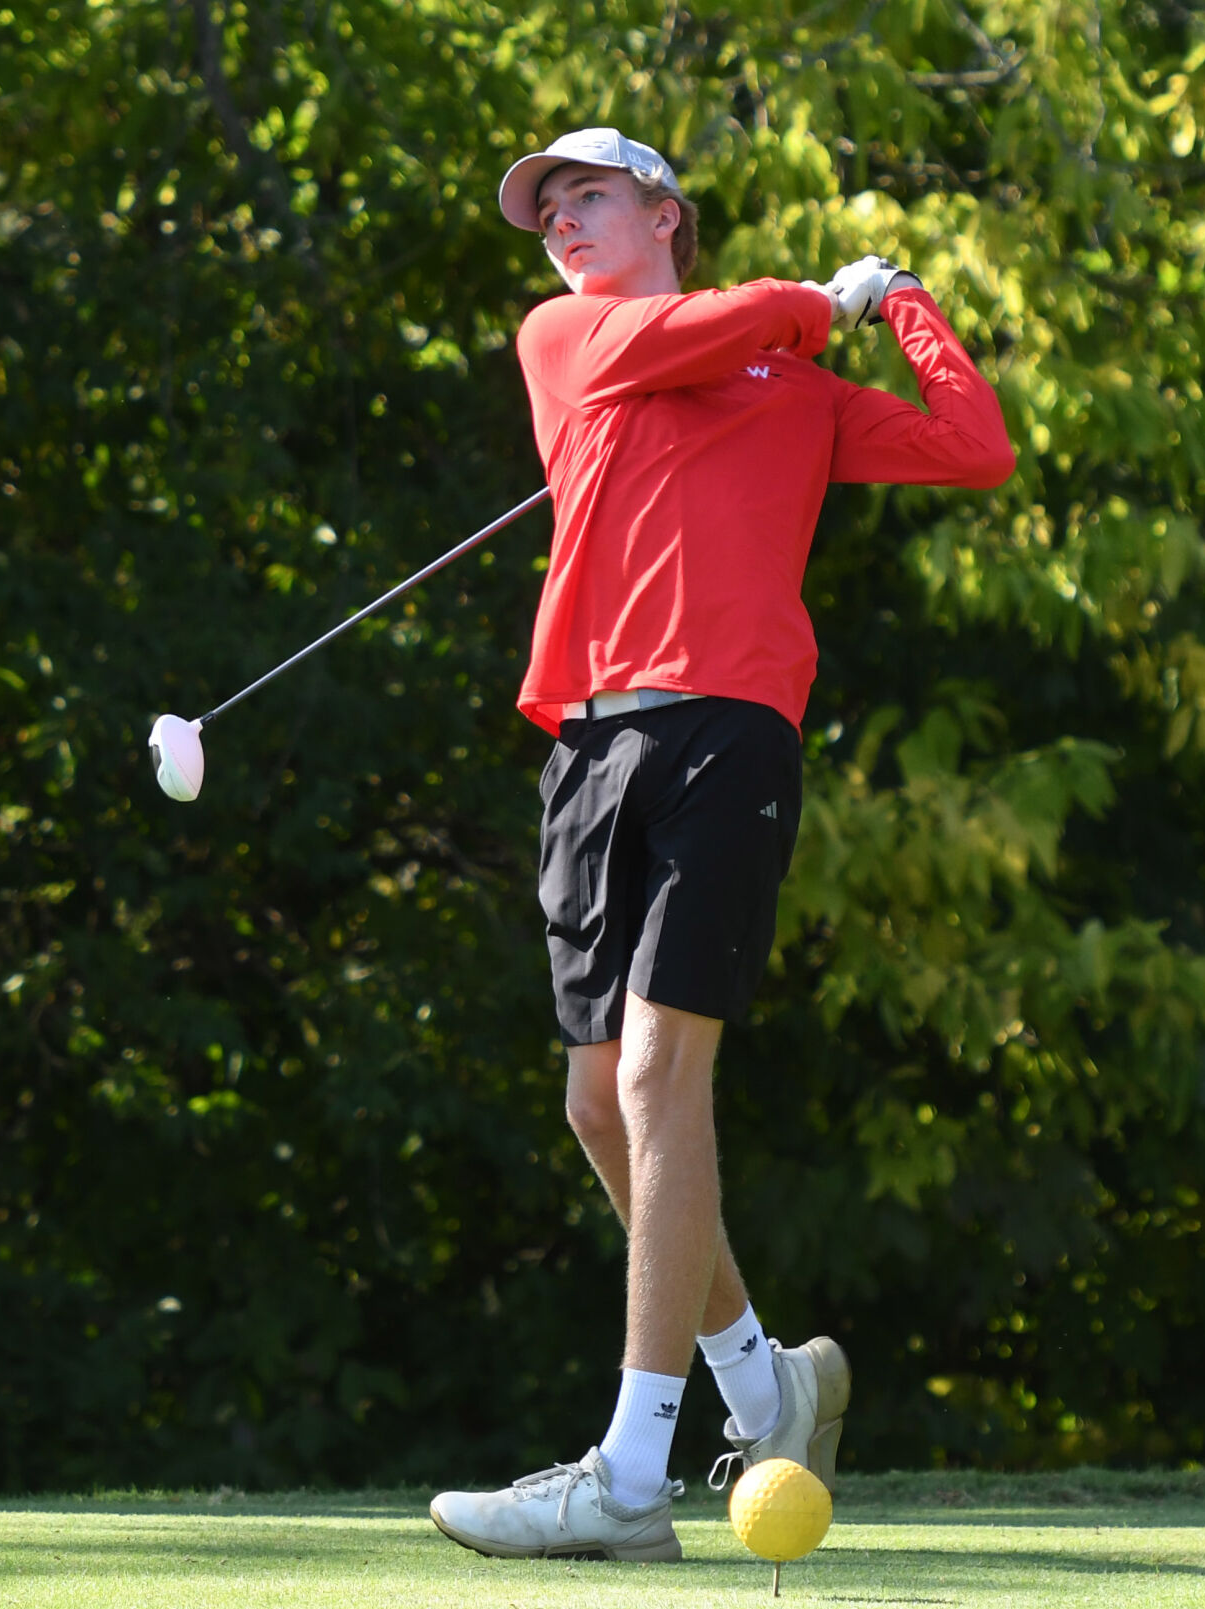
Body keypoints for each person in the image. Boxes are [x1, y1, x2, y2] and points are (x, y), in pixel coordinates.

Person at [429, 127, 1015, 1562]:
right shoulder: (568, 338)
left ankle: (630, 1476)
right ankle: (768, 1380)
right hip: (592, 740)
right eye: (545, 206)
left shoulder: (794, 387)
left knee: (655, 1068)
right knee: (593, 1106)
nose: (560, 221)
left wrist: (904, 309)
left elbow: (971, 446)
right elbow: (702, 329)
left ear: (663, 214)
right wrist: (819, 298)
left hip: (729, 728)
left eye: (589, 197)